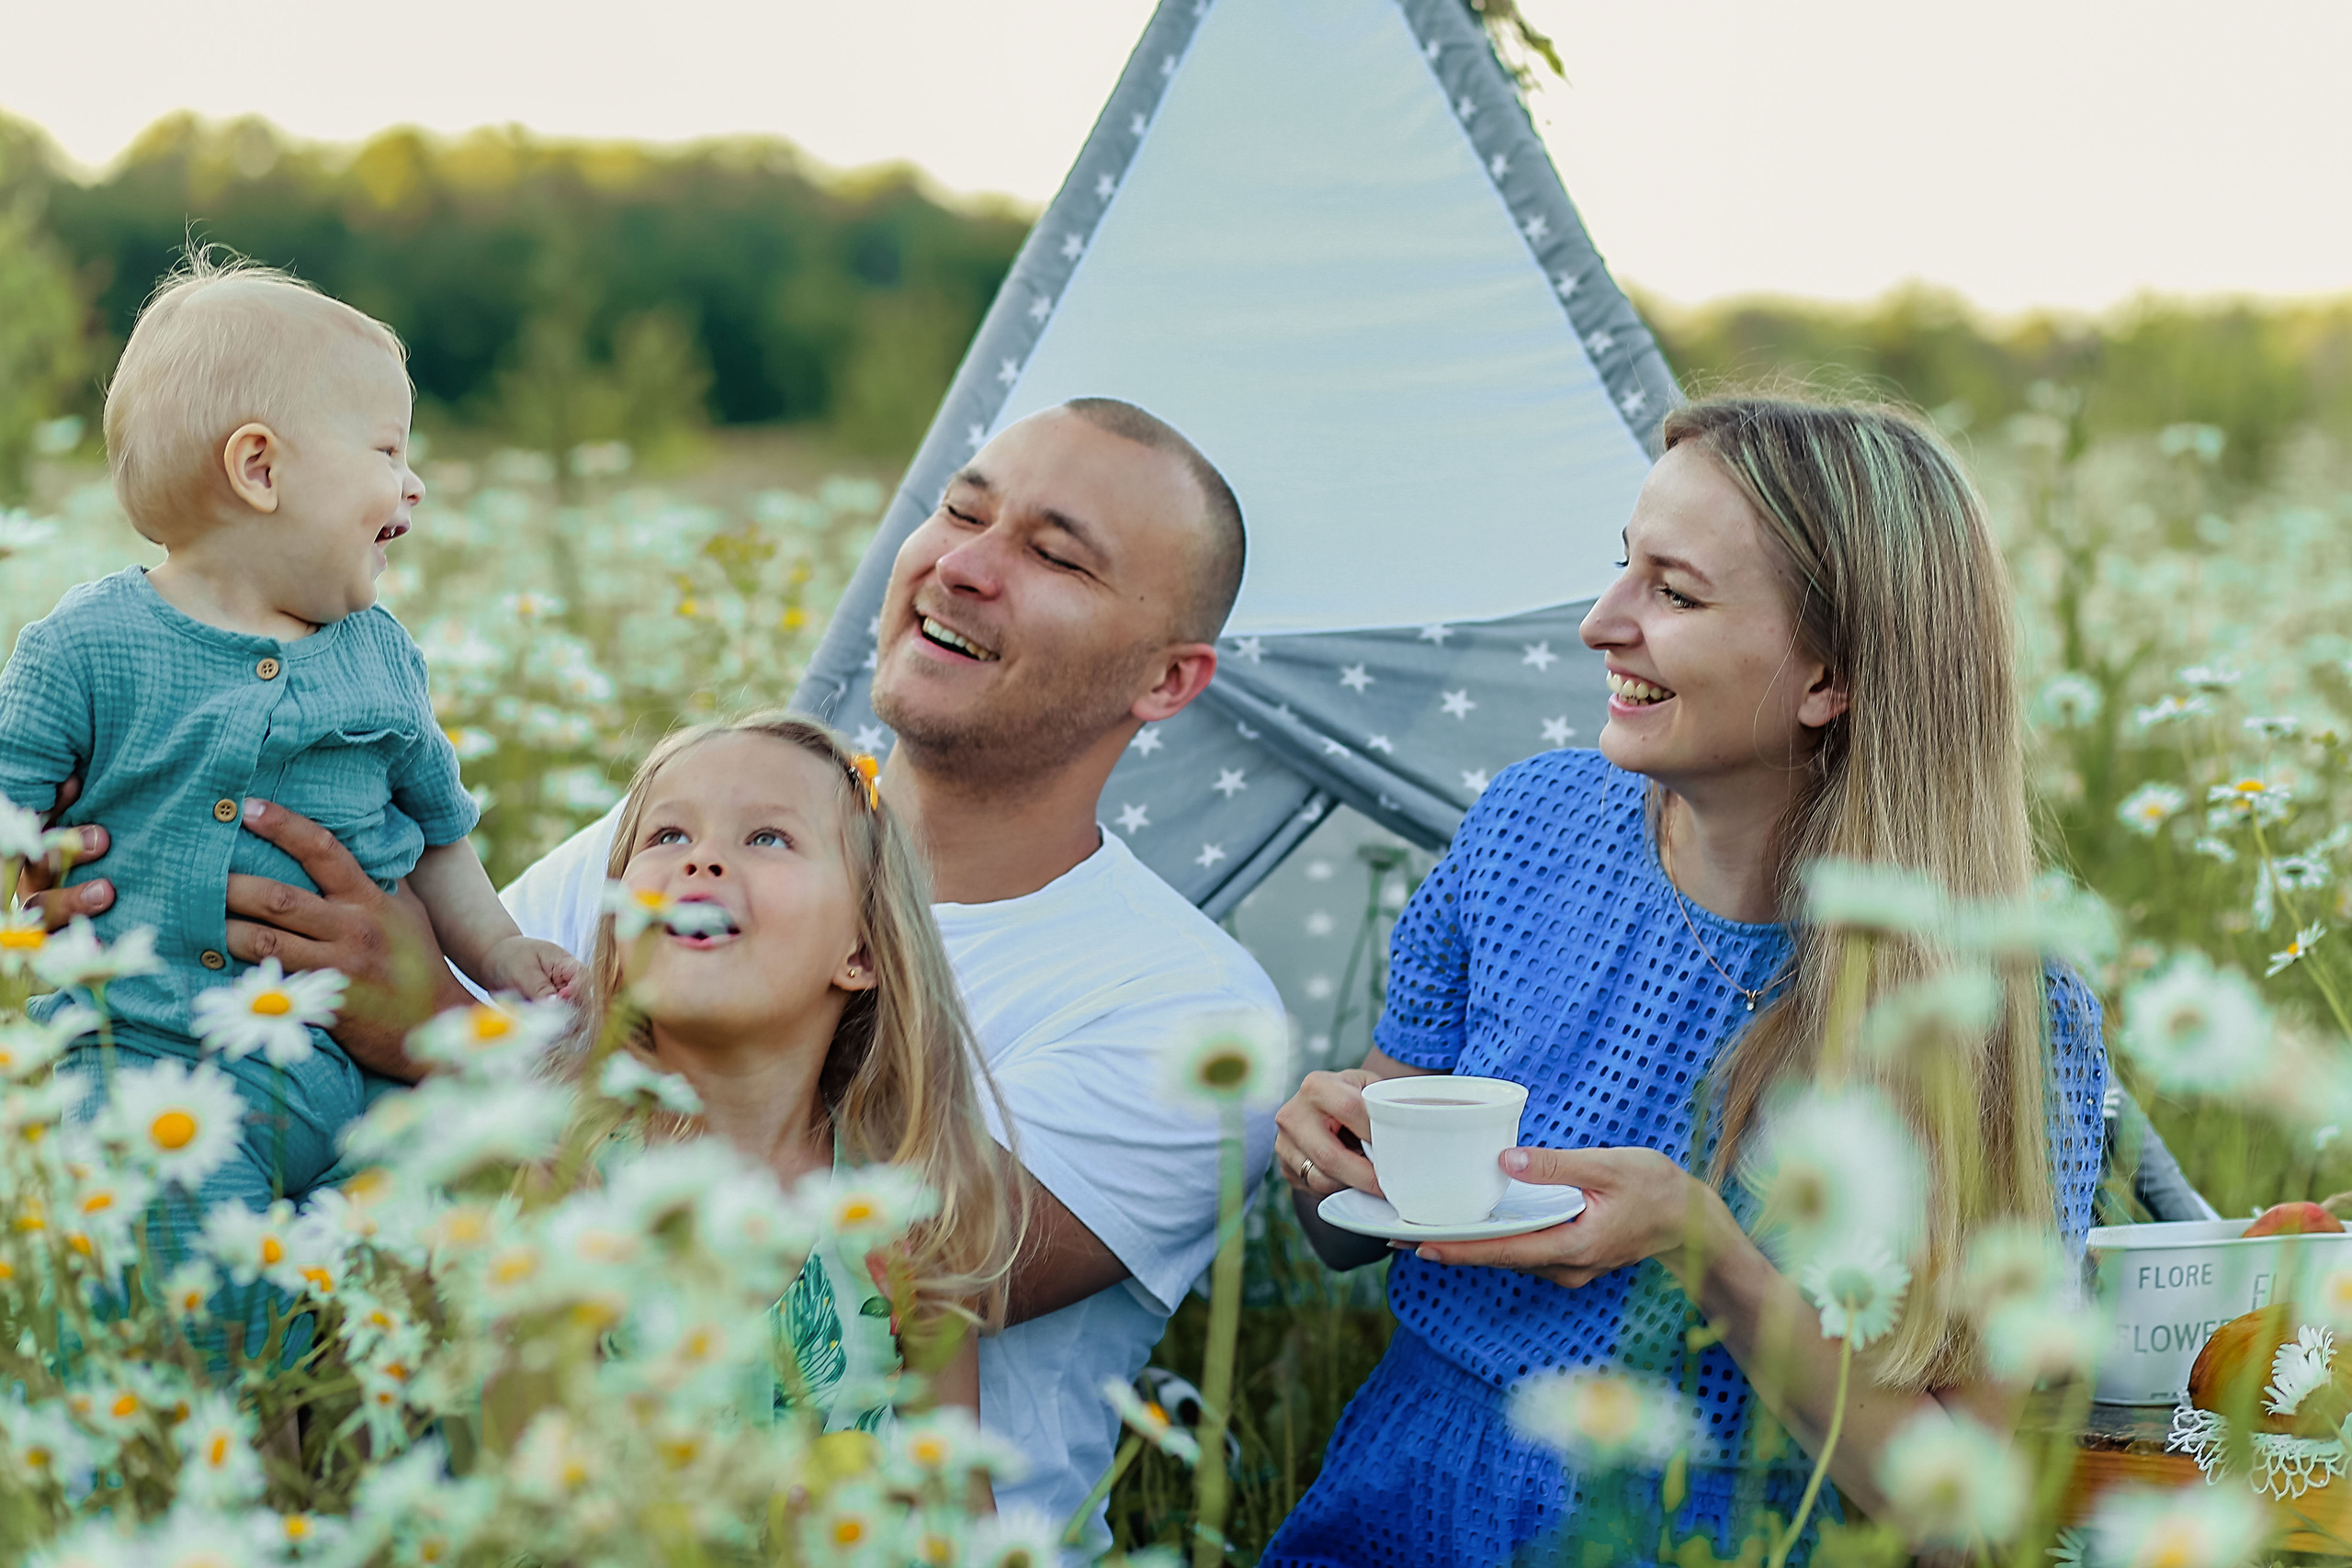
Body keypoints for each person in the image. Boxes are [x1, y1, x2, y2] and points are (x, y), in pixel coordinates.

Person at [22, 397, 1286, 1550]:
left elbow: (902, 1257)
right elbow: (373, 1086)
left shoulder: (1193, 1013)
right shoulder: (705, 831)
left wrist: (435, 1026)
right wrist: (123, 878)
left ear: (1167, 678)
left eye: (1055, 555)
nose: (963, 563)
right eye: (959, 510)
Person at [1265, 396, 2109, 1565]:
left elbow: (1958, 1520)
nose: (1599, 624)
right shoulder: (1525, 828)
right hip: (1402, 1499)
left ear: (1829, 678)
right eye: (1623, 567)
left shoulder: (1998, 1008)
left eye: (1673, 592)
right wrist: (1323, 1157)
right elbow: (1356, 1228)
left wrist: (1701, 1250)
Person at [0, 252, 576, 1243]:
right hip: (135, 1058)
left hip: (347, 1062)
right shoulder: (83, 646)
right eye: (389, 452)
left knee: (427, 1243)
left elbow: (436, 838)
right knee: (181, 1256)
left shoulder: (382, 656)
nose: (417, 484)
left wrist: (501, 949)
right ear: (259, 470)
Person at [566, 712, 1022, 1431]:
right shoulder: (563, 1172)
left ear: (863, 952)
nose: (701, 860)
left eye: (767, 837)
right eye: (668, 835)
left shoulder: (906, 1219)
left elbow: (953, 1500)